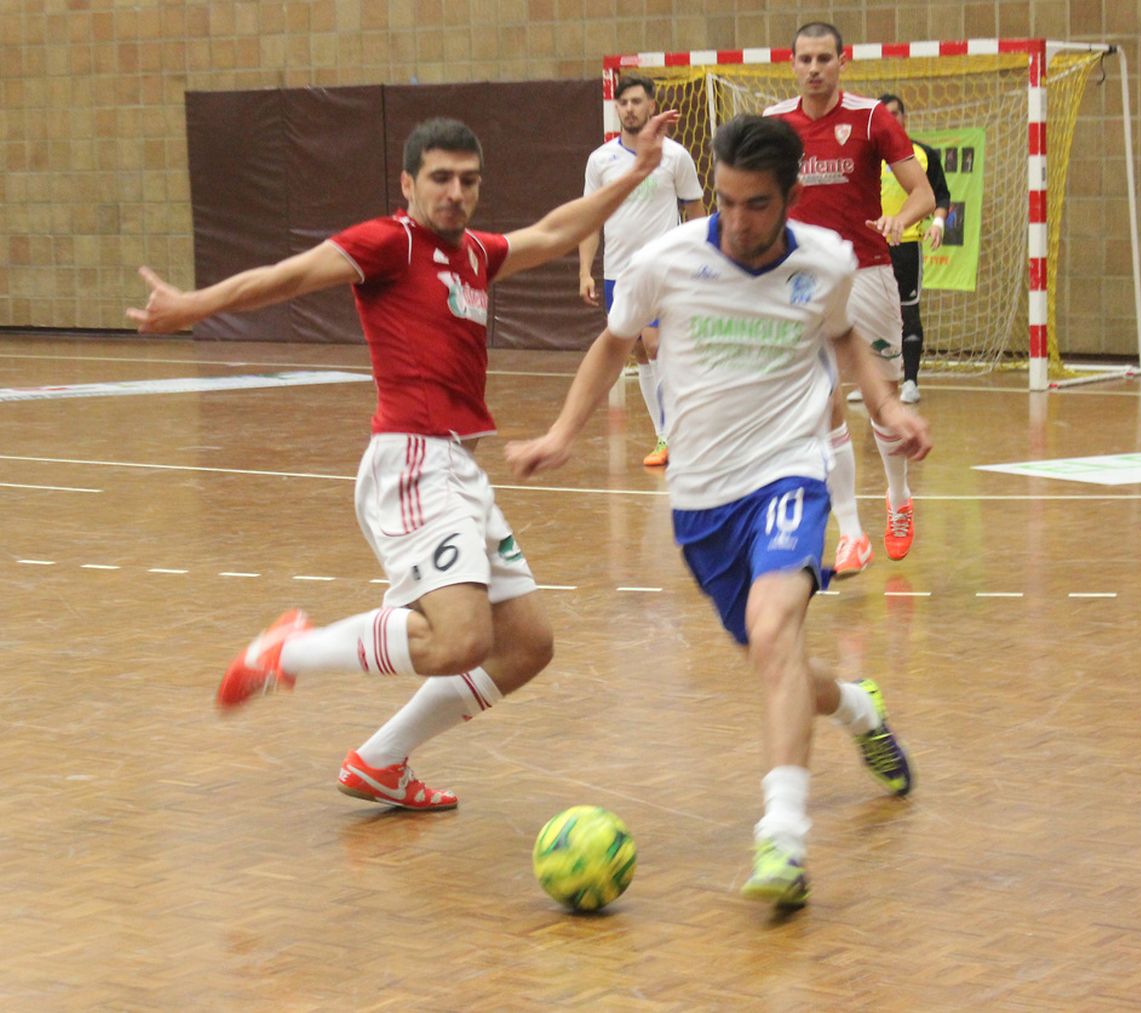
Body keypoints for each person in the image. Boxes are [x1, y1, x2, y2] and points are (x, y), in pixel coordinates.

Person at [126, 111, 677, 812]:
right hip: (411, 463)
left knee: (527, 644)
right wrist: (193, 305)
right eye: (440, 179)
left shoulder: (476, 252)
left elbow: (557, 231)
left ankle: (380, 761)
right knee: (459, 640)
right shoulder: (388, 242)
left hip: (459, 470)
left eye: (468, 181)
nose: (456, 192)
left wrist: (635, 173)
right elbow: (287, 275)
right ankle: (287, 651)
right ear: (408, 183)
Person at [507, 115, 930, 910]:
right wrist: (564, 431)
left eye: (757, 205)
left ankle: (783, 839)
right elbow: (611, 343)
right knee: (777, 662)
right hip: (701, 503)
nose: (737, 221)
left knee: (774, 630)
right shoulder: (667, 260)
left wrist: (886, 406)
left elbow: (845, 340)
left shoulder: (826, 262)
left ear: (790, 198)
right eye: (727, 201)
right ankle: (859, 707)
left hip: (788, 474)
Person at [765, 22, 935, 576]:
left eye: (824, 59)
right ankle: (852, 533)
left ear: (843, 61)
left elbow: (923, 192)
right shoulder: (773, 125)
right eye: (804, 59)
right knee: (821, 401)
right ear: (791, 64)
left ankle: (898, 497)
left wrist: (899, 218)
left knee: (881, 399)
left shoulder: (870, 118)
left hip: (867, 273)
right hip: (800, 281)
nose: (814, 68)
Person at [579, 74, 706, 467]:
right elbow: (590, 219)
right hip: (620, 272)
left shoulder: (675, 155)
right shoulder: (600, 161)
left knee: (656, 343)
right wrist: (586, 270)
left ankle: (679, 433)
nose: (630, 109)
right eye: (623, 103)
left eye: (637, 101)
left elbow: (696, 209)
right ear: (616, 108)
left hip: (665, 270)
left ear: (651, 106)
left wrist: (697, 258)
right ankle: (664, 435)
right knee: (639, 352)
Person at [877, 93, 952, 405]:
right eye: (885, 114)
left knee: (908, 312)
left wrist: (937, 224)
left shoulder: (923, 154)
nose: (891, 119)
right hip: (873, 247)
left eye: (896, 113)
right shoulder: (867, 155)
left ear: (904, 117)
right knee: (874, 314)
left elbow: (941, 196)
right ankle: (879, 382)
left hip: (906, 244)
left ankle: (909, 381)